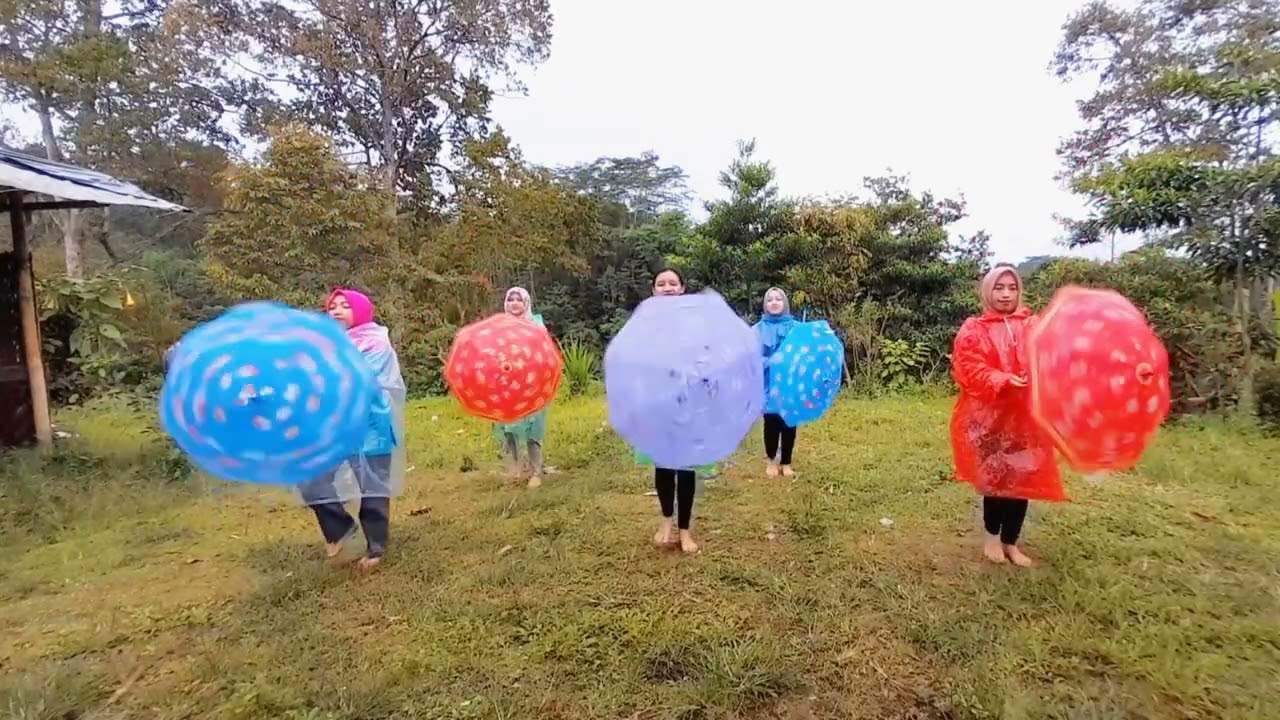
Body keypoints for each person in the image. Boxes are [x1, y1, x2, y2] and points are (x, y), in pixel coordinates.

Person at [950, 265, 1065, 568]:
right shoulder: (975, 329)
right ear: (988, 291)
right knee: (996, 480)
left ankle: (1010, 542)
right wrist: (999, 378)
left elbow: (1058, 354)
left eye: (1011, 288)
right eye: (999, 288)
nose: (1005, 294)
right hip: (989, 418)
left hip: (1027, 419)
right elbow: (969, 366)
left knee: (1023, 479)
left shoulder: (1033, 326)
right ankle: (991, 539)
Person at [297, 288, 408, 570]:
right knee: (310, 477)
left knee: (372, 486)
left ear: (360, 311)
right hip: (333, 427)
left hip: (370, 424)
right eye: (332, 306)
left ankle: (376, 547)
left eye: (344, 306)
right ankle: (340, 528)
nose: (335, 310)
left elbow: (361, 380)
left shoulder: (375, 343)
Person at [633, 267, 710, 555]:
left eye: (672, 283)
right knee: (664, 465)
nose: (667, 287)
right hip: (657, 402)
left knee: (686, 467)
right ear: (653, 290)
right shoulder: (643, 323)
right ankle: (666, 522)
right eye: (661, 283)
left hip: (689, 401)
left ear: (682, 289)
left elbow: (706, 356)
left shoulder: (694, 322)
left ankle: (686, 530)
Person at [493, 286, 550, 489]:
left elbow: (544, 351)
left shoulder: (536, 325)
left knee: (533, 427)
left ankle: (535, 471)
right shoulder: (500, 326)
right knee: (509, 428)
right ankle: (517, 467)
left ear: (526, 302)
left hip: (532, 383)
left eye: (519, 299)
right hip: (508, 383)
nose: (514, 303)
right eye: (511, 299)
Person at [754, 287, 798, 477]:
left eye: (778, 299)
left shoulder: (796, 328)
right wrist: (769, 361)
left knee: (790, 422)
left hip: (790, 383)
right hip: (767, 383)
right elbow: (750, 357)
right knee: (771, 423)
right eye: (769, 299)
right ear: (765, 304)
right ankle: (771, 460)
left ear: (785, 303)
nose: (774, 302)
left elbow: (802, 353)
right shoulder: (757, 330)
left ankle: (786, 462)